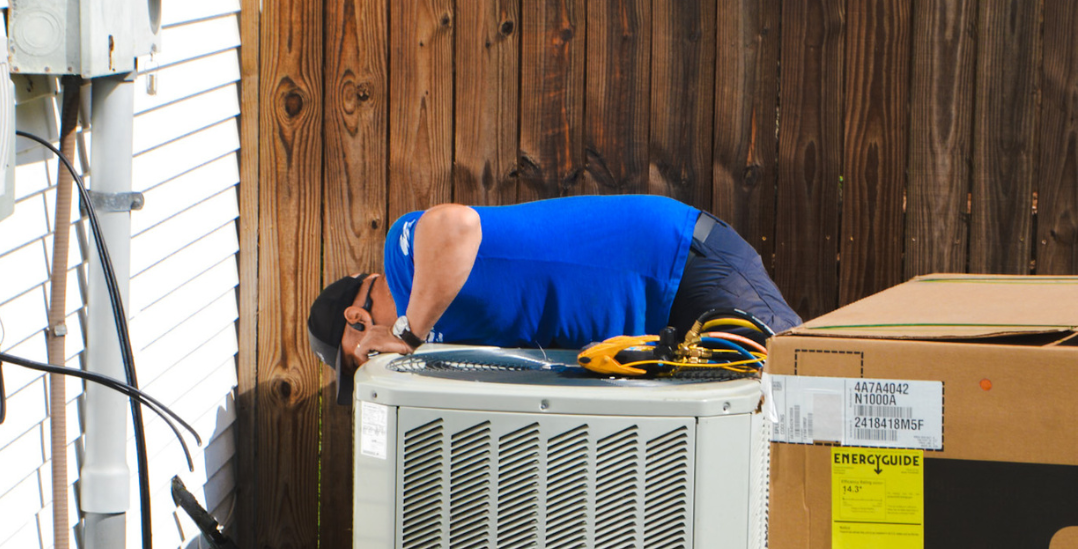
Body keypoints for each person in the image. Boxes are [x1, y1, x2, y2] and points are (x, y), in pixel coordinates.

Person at [308, 195, 800, 404]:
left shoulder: (404, 255)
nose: (371, 364)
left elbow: (456, 226)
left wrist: (405, 335)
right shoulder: (437, 333)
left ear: (357, 319)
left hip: (676, 261)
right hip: (663, 325)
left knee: (801, 389)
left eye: (356, 362)